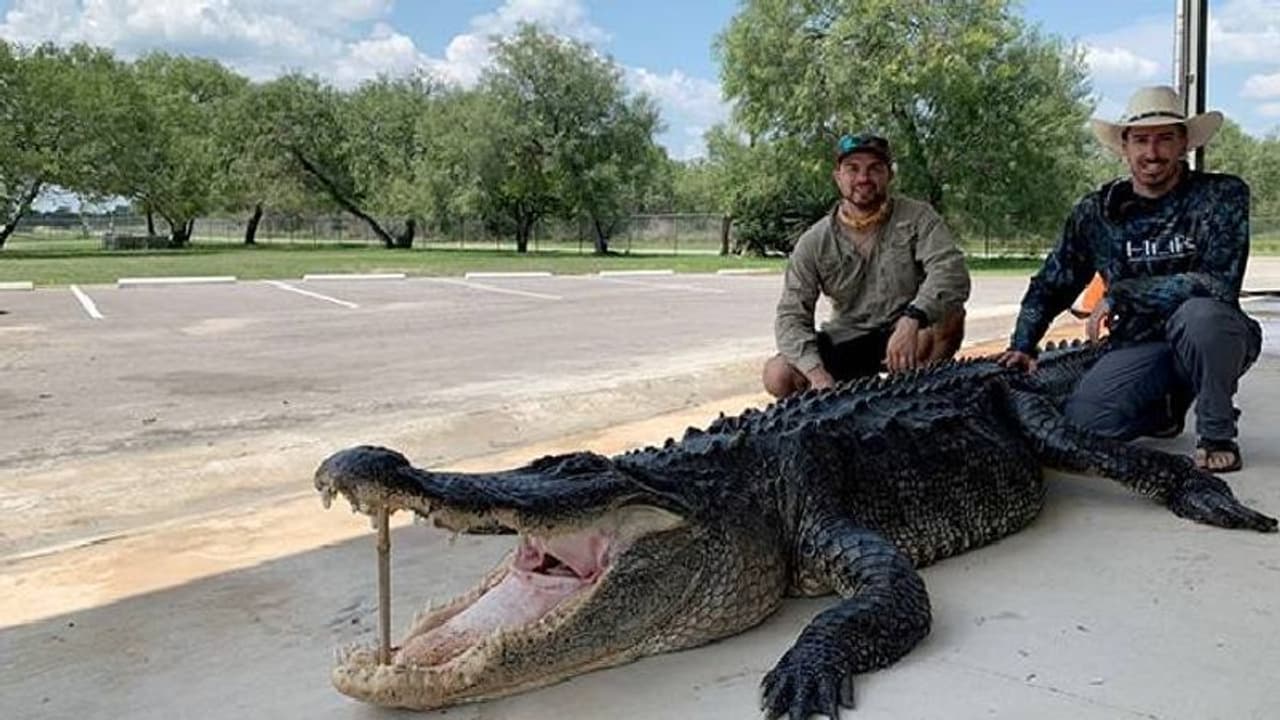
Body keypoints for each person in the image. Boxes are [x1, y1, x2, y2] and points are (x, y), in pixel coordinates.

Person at [997, 85, 1262, 473]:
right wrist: (1023, 342)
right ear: (1124, 146)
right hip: (1139, 344)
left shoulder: (1221, 196)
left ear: (1184, 143)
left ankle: (1217, 431)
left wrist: (1123, 294)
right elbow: (1055, 280)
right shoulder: (1096, 211)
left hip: (1212, 336)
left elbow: (1218, 283)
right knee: (1084, 427)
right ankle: (1164, 408)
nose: (1151, 154)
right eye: (1141, 140)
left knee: (1202, 318)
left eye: (1164, 139)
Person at [763, 133, 971, 398]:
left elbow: (950, 273)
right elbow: (791, 316)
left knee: (950, 316)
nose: (863, 178)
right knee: (777, 375)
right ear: (837, 176)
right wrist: (817, 374)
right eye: (853, 169)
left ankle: (919, 395)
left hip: (908, 334)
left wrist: (912, 320)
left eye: (875, 168)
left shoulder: (920, 217)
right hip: (846, 337)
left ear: (889, 175)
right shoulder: (813, 241)